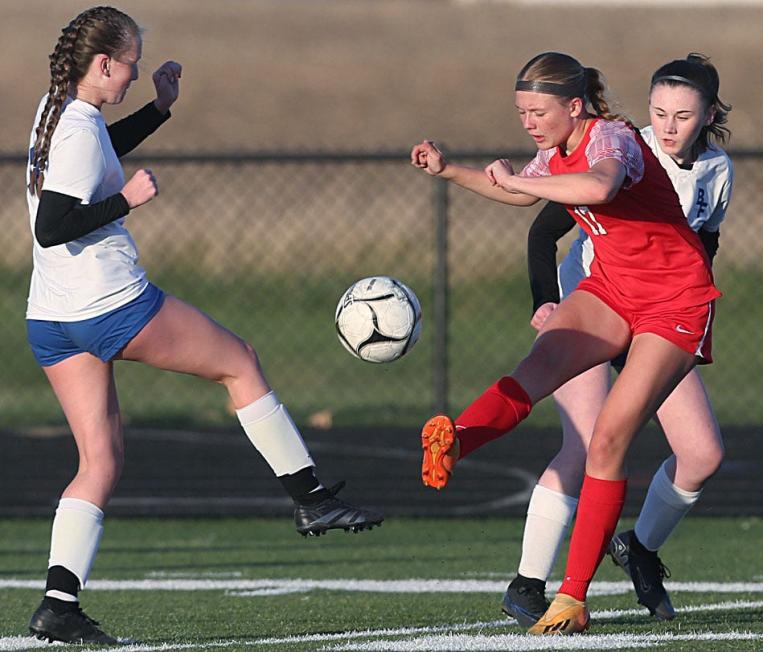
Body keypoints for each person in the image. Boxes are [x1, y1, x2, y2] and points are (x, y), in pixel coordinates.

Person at [24, 6, 382, 645]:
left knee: (99, 460)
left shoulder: (59, 114)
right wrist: (126, 201)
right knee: (239, 361)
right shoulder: (77, 129)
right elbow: (51, 228)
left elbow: (96, 156)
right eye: (131, 64)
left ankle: (58, 603)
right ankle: (312, 497)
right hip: (108, 306)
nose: (135, 73)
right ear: (104, 64)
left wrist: (159, 109)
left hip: (52, 319)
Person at [411, 51, 720, 635]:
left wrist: (524, 178)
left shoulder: (612, 140)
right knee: (537, 367)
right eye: (522, 111)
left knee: (607, 438)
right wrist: (451, 171)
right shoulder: (557, 148)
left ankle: (572, 598)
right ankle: (456, 445)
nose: (528, 122)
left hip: (674, 301)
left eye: (537, 112)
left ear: (573, 106)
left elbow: (599, 188)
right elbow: (524, 195)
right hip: (612, 287)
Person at [502, 53, 733, 628]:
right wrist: (544, 302)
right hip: (598, 303)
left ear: (708, 115)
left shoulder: (717, 169)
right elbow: (544, 228)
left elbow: (701, 247)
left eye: (683, 114)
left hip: (660, 313)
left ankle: (639, 549)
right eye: (659, 113)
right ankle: (529, 584)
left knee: (702, 454)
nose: (669, 126)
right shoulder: (626, 149)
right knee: (587, 442)